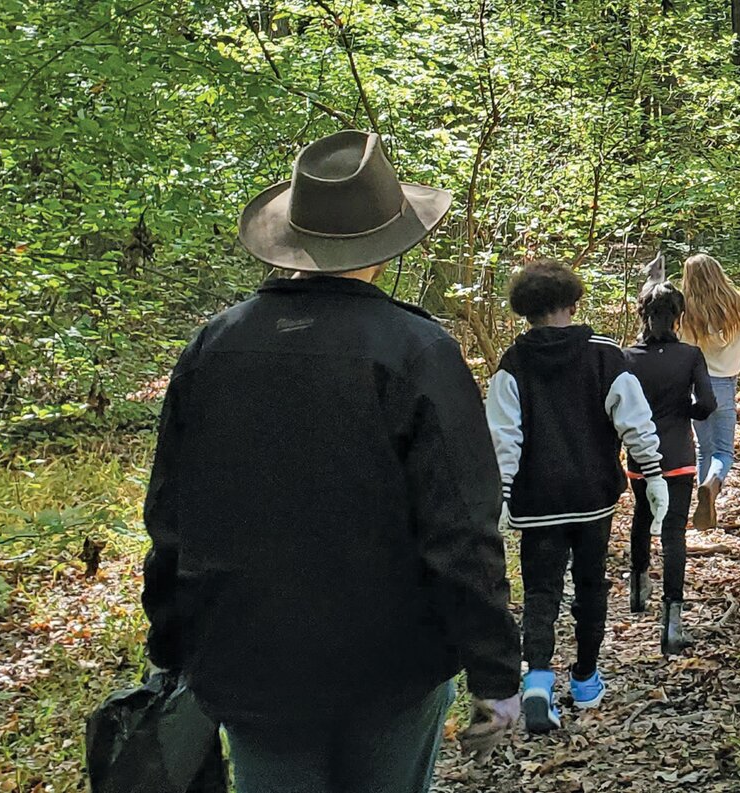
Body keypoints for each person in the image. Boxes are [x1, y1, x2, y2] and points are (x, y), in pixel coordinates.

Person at [142, 130, 522, 793]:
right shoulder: (417, 350)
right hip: (390, 663)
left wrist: (169, 644)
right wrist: (494, 671)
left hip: (245, 653)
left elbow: (169, 516)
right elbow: (461, 527)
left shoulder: (215, 345)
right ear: (387, 240)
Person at [486, 260, 669, 733]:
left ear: (526, 309)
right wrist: (653, 476)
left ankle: (538, 682)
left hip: (536, 501)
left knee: (541, 591)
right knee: (591, 587)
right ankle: (586, 679)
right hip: (593, 498)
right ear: (573, 302)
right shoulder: (605, 356)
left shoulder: (512, 363)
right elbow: (635, 422)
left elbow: (504, 438)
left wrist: (501, 498)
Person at [622, 258, 716, 655]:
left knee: (642, 518)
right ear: (678, 317)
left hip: (640, 459)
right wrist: (684, 410)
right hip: (679, 454)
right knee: (674, 533)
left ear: (643, 315)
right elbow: (708, 404)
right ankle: (672, 623)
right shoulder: (691, 356)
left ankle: (638, 587)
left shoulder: (626, 357)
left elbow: (617, 410)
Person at [679, 253, 740, 529]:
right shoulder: (738, 303)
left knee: (703, 449)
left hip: (693, 387)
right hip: (724, 385)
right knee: (723, 451)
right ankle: (712, 484)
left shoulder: (684, 309)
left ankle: (704, 501)